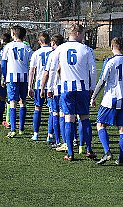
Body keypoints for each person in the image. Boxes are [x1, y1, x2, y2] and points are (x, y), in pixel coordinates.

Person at [46, 24, 97, 161]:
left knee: (69, 119)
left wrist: (50, 88)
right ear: (78, 33)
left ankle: (70, 153)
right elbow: (93, 70)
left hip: (66, 89)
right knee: (84, 118)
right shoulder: (86, 49)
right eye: (83, 34)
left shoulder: (61, 48)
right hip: (82, 89)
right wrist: (92, 88)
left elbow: (52, 69)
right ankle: (88, 149)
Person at [90, 37, 123, 165]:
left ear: (112, 46)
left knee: (100, 124)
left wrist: (93, 97)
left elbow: (102, 81)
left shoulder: (110, 62)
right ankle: (121, 158)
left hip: (110, 99)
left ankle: (107, 152)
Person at [1, 25, 33, 138]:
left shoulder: (8, 46)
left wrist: (4, 76)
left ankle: (13, 129)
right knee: (23, 101)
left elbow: (4, 64)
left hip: (12, 77)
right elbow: (32, 63)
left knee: (13, 102)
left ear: (13, 34)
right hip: (24, 77)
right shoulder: (27, 47)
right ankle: (21, 129)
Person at [40, 34, 65, 149]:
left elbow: (47, 73)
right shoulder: (66, 52)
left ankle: (58, 140)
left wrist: (43, 87)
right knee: (68, 115)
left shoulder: (53, 54)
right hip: (66, 87)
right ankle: (71, 139)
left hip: (55, 87)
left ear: (54, 43)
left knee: (55, 113)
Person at [28, 32, 52, 141]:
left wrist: (30, 86)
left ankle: (36, 134)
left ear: (40, 42)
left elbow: (32, 71)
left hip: (39, 85)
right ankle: (50, 135)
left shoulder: (36, 53)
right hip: (52, 85)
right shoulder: (54, 51)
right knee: (52, 110)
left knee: (38, 108)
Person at [0, 32, 12, 128]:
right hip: (12, 75)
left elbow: (0, 65)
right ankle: (8, 118)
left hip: (3, 75)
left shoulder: (0, 51)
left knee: (2, 97)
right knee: (10, 99)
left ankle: (1, 117)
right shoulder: (12, 48)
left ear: (2, 40)